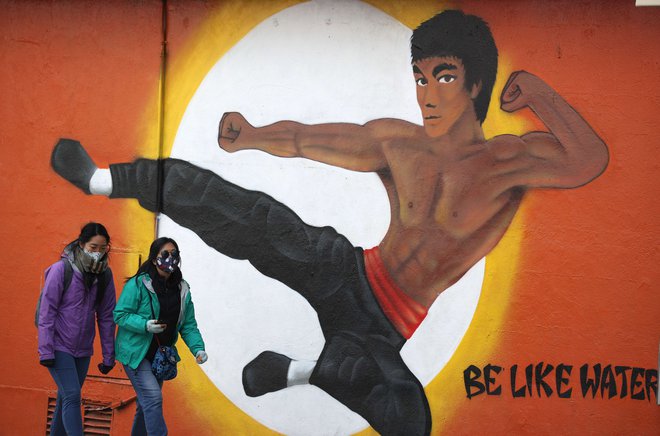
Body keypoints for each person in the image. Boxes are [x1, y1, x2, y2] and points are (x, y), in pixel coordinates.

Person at [50, 10, 608, 435]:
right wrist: (253, 135)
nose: (427, 95)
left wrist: (535, 90)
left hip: (382, 329)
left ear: (476, 85)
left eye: (443, 77)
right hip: (345, 270)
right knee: (249, 216)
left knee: (410, 419)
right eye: (419, 78)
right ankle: (104, 178)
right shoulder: (400, 142)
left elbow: (588, 159)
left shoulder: (508, 163)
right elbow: (307, 139)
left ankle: (304, 371)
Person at [114, 237, 207, 436]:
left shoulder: (182, 289)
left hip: (159, 356)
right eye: (165, 254)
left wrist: (198, 349)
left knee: (146, 403)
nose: (170, 258)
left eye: (174, 254)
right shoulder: (138, 284)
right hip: (135, 353)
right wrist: (144, 325)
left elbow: (188, 325)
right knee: (153, 398)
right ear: (154, 258)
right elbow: (120, 314)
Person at [37, 222, 116, 436]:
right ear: (81, 245)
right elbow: (47, 311)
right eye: (93, 247)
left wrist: (109, 356)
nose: (97, 253)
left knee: (65, 398)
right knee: (72, 396)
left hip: (83, 350)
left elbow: (107, 317)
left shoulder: (105, 276)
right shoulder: (61, 270)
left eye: (102, 248)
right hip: (58, 345)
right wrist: (45, 350)